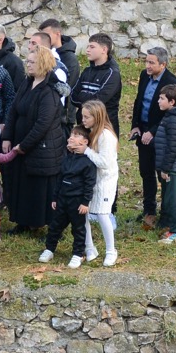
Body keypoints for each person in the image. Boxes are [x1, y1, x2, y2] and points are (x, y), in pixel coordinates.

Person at [1, 45, 67, 233]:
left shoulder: (50, 90)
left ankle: (47, 226)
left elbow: (43, 124)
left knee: (41, 189)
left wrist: (24, 145)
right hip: (20, 142)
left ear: (43, 63)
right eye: (27, 61)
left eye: (32, 62)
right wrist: (7, 137)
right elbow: (13, 111)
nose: (28, 65)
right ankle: (23, 221)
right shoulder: (27, 83)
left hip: (42, 148)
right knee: (22, 184)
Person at [129, 46, 176, 229]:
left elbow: (171, 113)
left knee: (162, 174)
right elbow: (139, 101)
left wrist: (153, 131)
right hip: (142, 132)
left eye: (151, 63)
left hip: (160, 135)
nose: (147, 66)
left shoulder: (172, 82)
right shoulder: (144, 76)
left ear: (163, 64)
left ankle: (166, 214)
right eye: (146, 62)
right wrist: (135, 125)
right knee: (145, 171)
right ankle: (149, 210)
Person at [39, 124, 98, 268]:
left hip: (77, 202)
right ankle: (49, 249)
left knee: (78, 229)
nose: (71, 138)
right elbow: (60, 179)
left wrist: (85, 202)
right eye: (71, 135)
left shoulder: (88, 162)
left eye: (76, 135)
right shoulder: (66, 158)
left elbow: (89, 184)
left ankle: (78, 254)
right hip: (62, 199)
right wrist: (55, 198)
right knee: (55, 226)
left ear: (85, 141)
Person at [80, 100, 120, 267]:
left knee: (103, 214)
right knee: (83, 212)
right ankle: (89, 247)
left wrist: (86, 150)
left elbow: (104, 162)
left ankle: (111, 251)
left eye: (86, 117)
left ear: (96, 117)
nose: (83, 120)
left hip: (105, 181)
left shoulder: (105, 136)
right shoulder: (91, 132)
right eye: (82, 116)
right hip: (91, 180)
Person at [152, 85, 176, 242]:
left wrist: (166, 168)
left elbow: (173, 146)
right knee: (168, 198)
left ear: (172, 102)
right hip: (169, 166)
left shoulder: (174, 120)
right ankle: (170, 226)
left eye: (162, 98)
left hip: (173, 168)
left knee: (173, 200)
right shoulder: (169, 116)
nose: (158, 101)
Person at [70, 33, 121, 134]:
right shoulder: (87, 71)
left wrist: (83, 96)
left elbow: (100, 101)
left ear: (104, 50)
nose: (87, 50)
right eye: (88, 46)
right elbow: (73, 97)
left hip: (103, 128)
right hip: (83, 126)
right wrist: (88, 99)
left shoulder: (112, 73)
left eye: (92, 47)